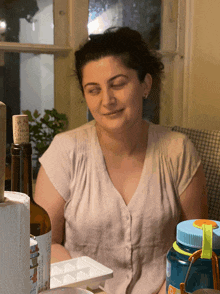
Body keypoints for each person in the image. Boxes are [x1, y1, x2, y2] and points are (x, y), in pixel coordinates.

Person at [34, 27, 208, 294]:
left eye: (118, 84)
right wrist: (87, 288)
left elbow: (194, 249)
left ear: (146, 85)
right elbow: (47, 245)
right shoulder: (64, 151)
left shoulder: (178, 151)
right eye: (93, 90)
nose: (107, 100)